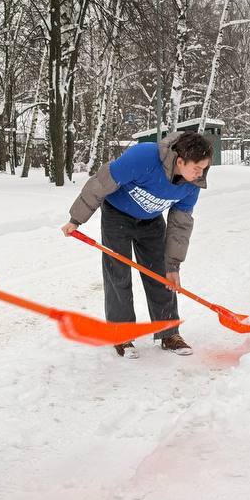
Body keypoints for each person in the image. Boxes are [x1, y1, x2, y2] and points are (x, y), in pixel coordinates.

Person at [61, 131, 211, 359]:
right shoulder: (144, 157)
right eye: (197, 168)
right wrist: (76, 220)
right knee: (118, 274)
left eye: (205, 169)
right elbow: (101, 183)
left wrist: (173, 266)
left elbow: (180, 226)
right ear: (180, 161)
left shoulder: (191, 186)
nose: (201, 174)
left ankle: (168, 333)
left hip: (151, 221)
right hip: (117, 214)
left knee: (161, 276)